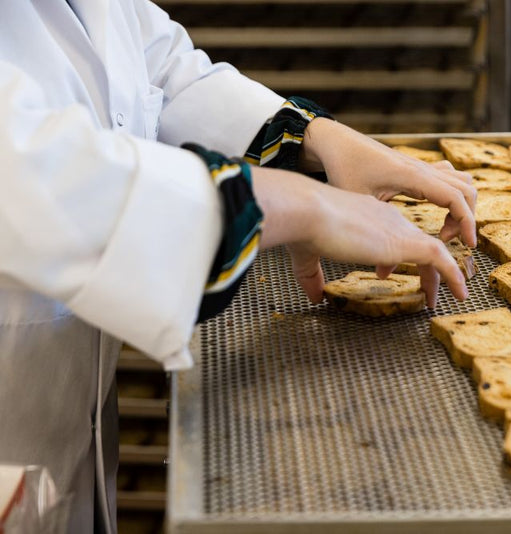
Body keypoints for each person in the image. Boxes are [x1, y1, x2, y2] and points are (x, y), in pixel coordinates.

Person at [0, 1, 476, 532]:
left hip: (64, 436)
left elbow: (149, 66)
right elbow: (24, 168)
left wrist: (312, 137)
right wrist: (299, 205)